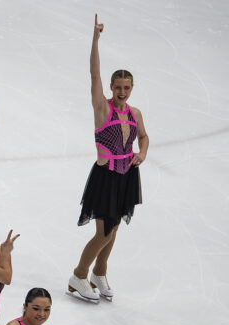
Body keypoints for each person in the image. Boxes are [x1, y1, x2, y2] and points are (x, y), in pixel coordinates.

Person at [68, 14, 148, 303]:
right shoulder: (103, 108)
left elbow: (144, 137)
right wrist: (95, 39)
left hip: (127, 175)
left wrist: (142, 153)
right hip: (106, 177)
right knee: (103, 233)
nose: (122, 92)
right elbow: (94, 73)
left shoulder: (135, 113)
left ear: (131, 88)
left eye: (126, 88)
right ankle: (78, 275)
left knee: (113, 231)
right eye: (118, 87)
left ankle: (99, 273)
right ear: (112, 88)